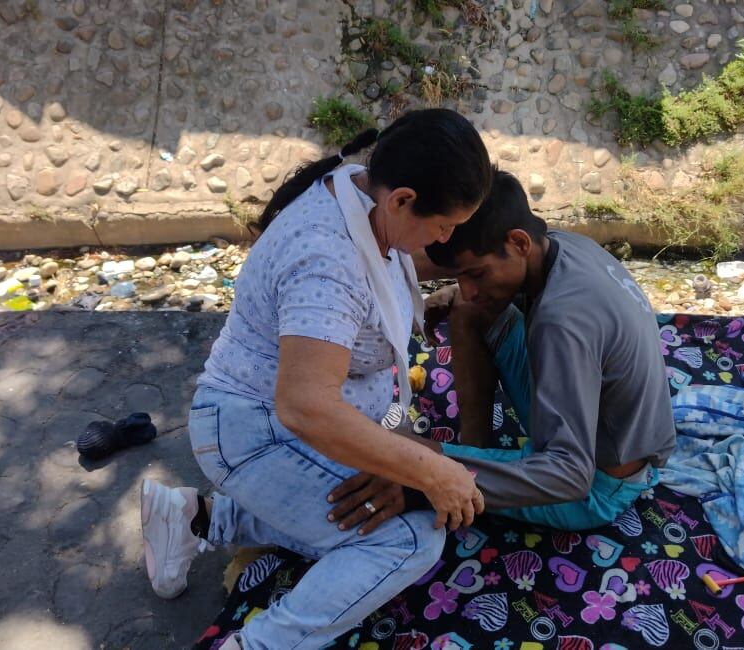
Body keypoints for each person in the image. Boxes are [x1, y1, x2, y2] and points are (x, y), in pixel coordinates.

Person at [139, 109, 493, 649]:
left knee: (396, 488)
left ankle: (197, 517)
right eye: (445, 225)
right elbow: (305, 407)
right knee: (409, 538)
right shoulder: (325, 261)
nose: (446, 240)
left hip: (318, 416)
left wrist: (412, 460)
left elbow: (402, 266)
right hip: (254, 431)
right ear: (402, 199)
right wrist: (431, 470)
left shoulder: (362, 194)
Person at [328, 169, 675, 534]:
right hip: (610, 437)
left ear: (519, 243)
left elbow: (571, 477)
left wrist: (423, 476)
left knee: (405, 461)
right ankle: (475, 450)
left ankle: (465, 468)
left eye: (476, 274)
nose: (470, 287)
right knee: (468, 309)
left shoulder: (561, 323)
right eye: (459, 275)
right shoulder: (565, 244)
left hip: (597, 487)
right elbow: (443, 266)